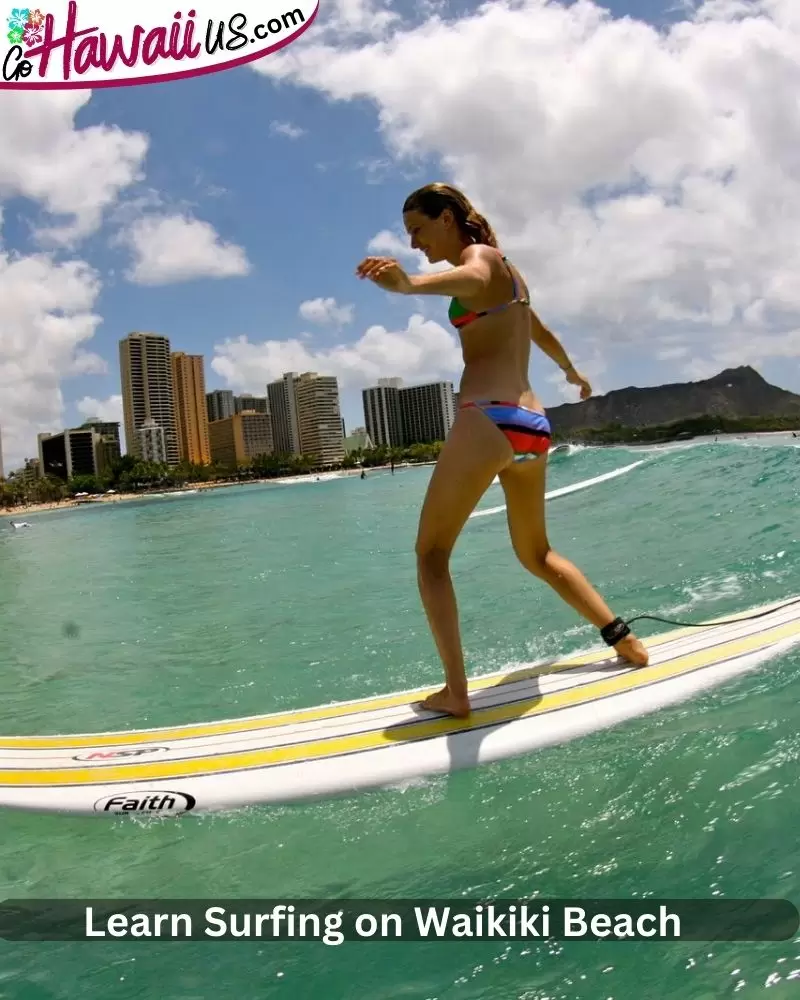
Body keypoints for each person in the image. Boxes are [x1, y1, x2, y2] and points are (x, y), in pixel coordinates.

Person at [356, 182, 648, 718]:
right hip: (532, 426)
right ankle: (624, 640)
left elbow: (471, 275)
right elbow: (539, 330)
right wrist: (571, 372)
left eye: (418, 229)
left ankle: (455, 692)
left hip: (487, 419)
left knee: (431, 555)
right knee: (538, 555)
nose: (416, 241)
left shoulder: (483, 259)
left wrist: (407, 284)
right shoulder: (515, 278)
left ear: (447, 218)